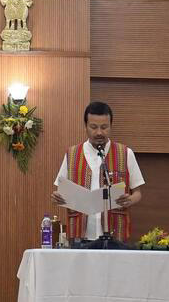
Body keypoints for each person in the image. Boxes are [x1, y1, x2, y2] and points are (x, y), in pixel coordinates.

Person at [51, 101, 145, 242]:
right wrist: (57, 197)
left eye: (104, 127)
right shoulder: (72, 154)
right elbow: (60, 191)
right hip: (79, 234)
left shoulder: (125, 153)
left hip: (115, 234)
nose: (99, 132)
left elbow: (137, 193)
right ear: (86, 127)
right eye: (93, 127)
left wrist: (130, 200)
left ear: (111, 126)